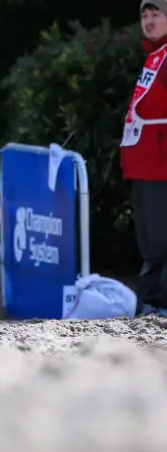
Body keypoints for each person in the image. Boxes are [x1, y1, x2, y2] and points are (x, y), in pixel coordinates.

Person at [120, 0, 167, 316]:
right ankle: (151, 301)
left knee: (162, 239)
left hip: (160, 165)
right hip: (144, 165)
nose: (149, 21)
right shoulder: (154, 56)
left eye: (156, 14)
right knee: (150, 242)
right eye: (144, 15)